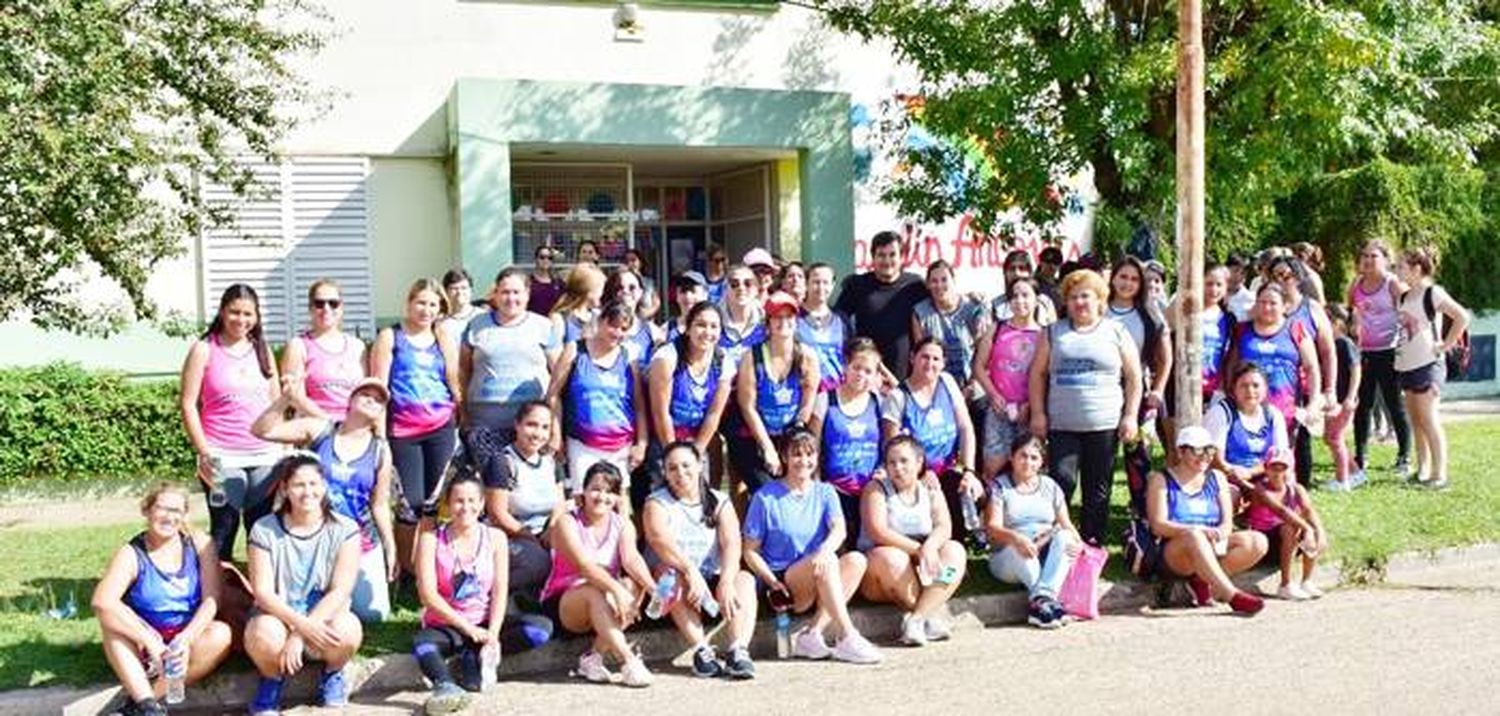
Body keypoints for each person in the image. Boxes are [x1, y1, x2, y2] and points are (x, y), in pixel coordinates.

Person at [251, 377, 399, 622]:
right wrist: (285, 400)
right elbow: (262, 430)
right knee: (318, 608)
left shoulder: (381, 450)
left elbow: (380, 504)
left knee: (374, 616)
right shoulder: (320, 430)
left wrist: (390, 547)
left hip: (358, 540)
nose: (372, 400)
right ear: (350, 401)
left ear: (382, 412)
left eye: (379, 400)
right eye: (365, 394)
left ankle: (334, 597)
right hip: (312, 535)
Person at [742, 428, 882, 664]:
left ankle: (812, 633)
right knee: (827, 561)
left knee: (856, 560)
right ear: (784, 457)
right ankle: (847, 635)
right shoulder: (765, 497)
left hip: (821, 566)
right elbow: (750, 551)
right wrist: (771, 581)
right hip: (784, 580)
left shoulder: (825, 492)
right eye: (796, 454)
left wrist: (827, 549)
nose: (804, 461)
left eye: (810, 454)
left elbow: (839, 529)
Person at [93, 484, 233, 716]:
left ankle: (142, 705)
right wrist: (151, 642)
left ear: (185, 515)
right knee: (111, 626)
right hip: (144, 637)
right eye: (162, 509)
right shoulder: (130, 553)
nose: (169, 517)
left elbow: (212, 599)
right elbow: (102, 602)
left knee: (220, 634)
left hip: (186, 633)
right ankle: (148, 706)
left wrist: (186, 639)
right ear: (147, 511)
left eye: (176, 511)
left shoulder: (199, 543)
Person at [244, 453, 365, 715]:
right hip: (278, 616)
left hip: (324, 617)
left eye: (314, 484)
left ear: (324, 487)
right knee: (262, 631)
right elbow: (262, 592)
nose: (307, 492)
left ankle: (332, 673)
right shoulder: (263, 529)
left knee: (349, 628)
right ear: (285, 489)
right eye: (299, 485)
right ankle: (272, 679)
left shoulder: (346, 529)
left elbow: (341, 589)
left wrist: (301, 633)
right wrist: (298, 626)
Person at [1029, 269, 1142, 545]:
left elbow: (1134, 377)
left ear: (1100, 300)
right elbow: (1037, 375)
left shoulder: (1116, 331)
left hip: (1103, 425)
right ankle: (1058, 543)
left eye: (1086, 296)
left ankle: (1092, 543)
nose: (1080, 302)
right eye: (1074, 297)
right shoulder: (1053, 332)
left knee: (1097, 490)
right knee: (1061, 483)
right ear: (1066, 302)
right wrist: (1038, 413)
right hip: (1062, 424)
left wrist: (1130, 416)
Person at [179, 283, 283, 561]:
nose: (241, 320)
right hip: (221, 456)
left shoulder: (262, 350)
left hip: (265, 455)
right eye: (235, 312)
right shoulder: (204, 349)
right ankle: (217, 593)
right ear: (223, 312)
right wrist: (205, 453)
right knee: (225, 525)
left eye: (248, 314)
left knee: (260, 525)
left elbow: (277, 402)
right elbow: (188, 404)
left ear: (257, 316)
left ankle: (257, 592)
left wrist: (284, 448)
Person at [641, 442, 758, 679]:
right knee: (669, 576)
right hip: (675, 587)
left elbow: (731, 544)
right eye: (672, 468)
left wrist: (726, 580)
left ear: (700, 465)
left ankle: (738, 651)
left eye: (686, 466)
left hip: (712, 583)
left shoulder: (719, 501)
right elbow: (659, 540)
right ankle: (701, 650)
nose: (680, 473)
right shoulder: (656, 503)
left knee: (744, 579)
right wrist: (689, 571)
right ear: (664, 472)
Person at [371, 279, 463, 568]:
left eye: (433, 304)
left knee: (435, 503)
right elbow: (379, 388)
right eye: (421, 303)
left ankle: (429, 567)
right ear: (409, 303)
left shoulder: (442, 336)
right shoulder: (391, 336)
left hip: (440, 428)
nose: (426, 310)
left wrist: (462, 417)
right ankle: (403, 568)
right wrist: (379, 434)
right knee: (410, 502)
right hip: (403, 431)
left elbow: (452, 382)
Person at [539, 462, 657, 687]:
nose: (602, 496)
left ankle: (593, 657)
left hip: (605, 598)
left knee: (634, 585)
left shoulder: (623, 525)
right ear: (583, 490)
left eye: (610, 491)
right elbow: (585, 566)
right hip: (566, 600)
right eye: (596, 489)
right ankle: (628, 660)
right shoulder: (567, 522)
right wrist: (615, 589)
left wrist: (652, 588)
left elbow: (631, 559)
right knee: (597, 591)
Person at [1145, 427, 1268, 616]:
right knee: (1194, 536)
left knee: (1257, 541)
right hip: (1176, 549)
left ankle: (1204, 583)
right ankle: (1231, 596)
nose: (1204, 457)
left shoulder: (1217, 478)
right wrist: (1196, 530)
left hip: (1212, 543)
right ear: (1180, 451)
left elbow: (1227, 523)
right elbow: (1158, 525)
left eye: (1209, 451)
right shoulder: (1161, 480)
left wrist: (1219, 533)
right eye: (1197, 451)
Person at [413, 474, 509, 714]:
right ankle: (446, 686)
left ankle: (472, 655)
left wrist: (493, 635)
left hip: (484, 622)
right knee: (422, 644)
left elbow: (500, 589)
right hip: (447, 624)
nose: (465, 507)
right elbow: (428, 596)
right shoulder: (430, 539)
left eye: (472, 500)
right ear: (448, 504)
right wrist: (469, 630)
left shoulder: (496, 538)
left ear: (482, 503)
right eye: (458, 501)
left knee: (538, 630)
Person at [857, 436, 966, 645]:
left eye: (904, 461)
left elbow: (944, 526)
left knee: (955, 551)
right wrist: (920, 550)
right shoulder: (876, 489)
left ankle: (917, 619)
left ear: (919, 462)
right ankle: (928, 615)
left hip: (921, 569)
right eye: (891, 462)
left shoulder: (931, 490)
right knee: (892, 558)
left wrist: (931, 547)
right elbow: (878, 531)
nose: (898, 468)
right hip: (881, 571)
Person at [546, 299, 649, 499]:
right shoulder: (575, 350)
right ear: (600, 321)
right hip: (582, 442)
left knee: (618, 502)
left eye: (624, 328)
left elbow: (639, 405)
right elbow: (553, 394)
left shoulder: (629, 357)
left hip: (620, 444)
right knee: (583, 500)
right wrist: (556, 435)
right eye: (613, 325)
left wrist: (642, 443)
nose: (617, 333)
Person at [1223, 284, 1322, 489]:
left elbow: (1312, 367)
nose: (1267, 307)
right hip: (1248, 409)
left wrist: (1313, 402)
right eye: (1262, 302)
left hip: (1285, 409)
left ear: (1284, 306)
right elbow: (1231, 365)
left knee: (1282, 462)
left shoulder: (1295, 328)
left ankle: (1285, 506)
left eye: (1273, 303)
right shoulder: (1243, 330)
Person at [881, 338, 979, 539]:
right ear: (912, 358)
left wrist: (969, 470)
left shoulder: (947, 382)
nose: (930, 363)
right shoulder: (898, 397)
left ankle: (960, 548)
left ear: (943, 363)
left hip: (949, 467)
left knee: (973, 488)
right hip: (914, 474)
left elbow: (965, 427)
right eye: (924, 357)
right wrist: (921, 472)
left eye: (936, 359)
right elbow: (892, 447)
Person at [982, 435, 1080, 629]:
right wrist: (1016, 538)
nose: (1028, 462)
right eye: (1023, 456)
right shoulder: (1000, 487)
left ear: (1042, 461)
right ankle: (1047, 600)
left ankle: (1041, 603)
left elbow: (1066, 524)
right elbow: (992, 528)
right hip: (1008, 556)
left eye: (1034, 458)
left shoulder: (1051, 487)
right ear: (1012, 457)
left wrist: (1077, 543)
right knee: (1021, 549)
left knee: (1065, 537)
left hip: (1043, 552)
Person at [1394, 246, 1470, 489]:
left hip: (1429, 364)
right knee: (1415, 419)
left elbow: (1461, 316)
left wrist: (1445, 345)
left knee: (1428, 418)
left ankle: (1439, 475)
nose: (1397, 270)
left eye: (1402, 266)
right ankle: (1422, 470)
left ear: (1417, 269)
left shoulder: (1433, 292)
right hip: (1407, 363)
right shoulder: (1404, 296)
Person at [732, 292, 820, 498]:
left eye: (789, 317)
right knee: (766, 491)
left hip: (791, 433)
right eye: (777, 317)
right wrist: (768, 448)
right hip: (756, 435)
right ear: (768, 322)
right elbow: (747, 406)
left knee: (795, 487)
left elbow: (808, 400)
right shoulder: (751, 357)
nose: (784, 322)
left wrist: (795, 435)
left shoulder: (807, 356)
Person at [459, 267, 562, 438]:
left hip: (532, 426)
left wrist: (556, 425)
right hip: (485, 423)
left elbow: (558, 377)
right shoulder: (476, 325)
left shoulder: (543, 326)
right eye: (505, 292)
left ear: (527, 294)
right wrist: (463, 412)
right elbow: (463, 371)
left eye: (516, 292)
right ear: (496, 294)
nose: (511, 298)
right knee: (495, 466)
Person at [479, 400, 564, 603]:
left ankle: (546, 601)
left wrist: (550, 531)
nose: (538, 433)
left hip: (544, 534)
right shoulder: (502, 462)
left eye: (545, 427)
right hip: (511, 536)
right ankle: (487, 597)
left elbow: (559, 505)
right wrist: (533, 539)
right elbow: (497, 514)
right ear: (517, 424)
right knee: (540, 563)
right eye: (531, 424)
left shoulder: (552, 463)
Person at [809, 338, 886, 548]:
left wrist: (883, 470)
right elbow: (812, 445)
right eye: (856, 368)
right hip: (834, 488)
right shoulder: (825, 400)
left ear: (876, 375)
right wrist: (815, 483)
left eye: (868, 371)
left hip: (870, 489)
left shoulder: (879, 403)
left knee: (868, 549)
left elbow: (888, 443)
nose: (861, 374)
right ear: (846, 367)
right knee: (837, 547)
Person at [1269, 256, 1338, 487]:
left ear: (1297, 278)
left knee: (1302, 439)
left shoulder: (1311, 309)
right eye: (1275, 276)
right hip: (1275, 386)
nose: (1280, 281)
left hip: (1307, 386)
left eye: (1285, 275)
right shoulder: (1266, 307)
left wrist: (1329, 390)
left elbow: (1328, 352)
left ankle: (1301, 489)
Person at [1107, 256, 1172, 495]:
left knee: (1138, 457)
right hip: (1103, 389)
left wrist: (1158, 390)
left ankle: (1141, 519)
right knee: (1104, 456)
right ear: (1113, 278)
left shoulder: (1150, 315)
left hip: (1138, 390)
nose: (1127, 283)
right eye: (1123, 276)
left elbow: (1165, 358)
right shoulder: (1098, 310)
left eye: (1134, 279)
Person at [1348, 239, 1413, 478]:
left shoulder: (1393, 284)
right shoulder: (1356, 284)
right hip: (1364, 353)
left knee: (1394, 404)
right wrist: (1354, 328)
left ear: (1386, 259)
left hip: (1390, 351)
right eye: (1364, 256)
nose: (1368, 260)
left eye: (1374, 256)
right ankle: (1361, 455)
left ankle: (1404, 456)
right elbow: (1351, 312)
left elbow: (1411, 312)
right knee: (1362, 405)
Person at [834, 230, 929, 382]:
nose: (887, 261)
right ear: (873, 258)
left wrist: (971, 299)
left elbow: (940, 302)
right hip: (867, 377)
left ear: (902, 257)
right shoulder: (857, 285)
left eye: (892, 255)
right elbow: (836, 320)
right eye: (881, 255)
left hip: (906, 378)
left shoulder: (915, 285)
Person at [974, 278, 1043, 478]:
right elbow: (978, 366)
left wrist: (1030, 405)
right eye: (1014, 296)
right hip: (998, 409)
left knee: (1025, 469)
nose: (1019, 300)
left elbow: (1044, 376)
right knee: (992, 469)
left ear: (1036, 300)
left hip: (1027, 412)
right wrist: (993, 395)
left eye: (1025, 295)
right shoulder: (997, 329)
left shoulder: (1044, 335)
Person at [911, 260, 990, 433]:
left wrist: (971, 386)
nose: (939, 285)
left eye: (944, 279)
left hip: (973, 388)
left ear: (953, 280)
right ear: (928, 284)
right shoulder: (921, 312)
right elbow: (921, 355)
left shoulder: (973, 308)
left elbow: (984, 352)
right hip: (938, 391)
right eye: (934, 281)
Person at [648, 301, 736, 454]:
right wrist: (673, 454)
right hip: (662, 435)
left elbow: (714, 414)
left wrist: (696, 452)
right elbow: (661, 413)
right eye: (701, 325)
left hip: (699, 436)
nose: (708, 332)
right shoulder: (667, 358)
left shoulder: (724, 361)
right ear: (688, 329)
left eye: (714, 326)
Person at [1243, 448, 1327, 601]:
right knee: (1291, 527)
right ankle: (1285, 584)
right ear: (1266, 469)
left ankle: (1306, 581)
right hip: (1266, 545)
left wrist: (1318, 532)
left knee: (1306, 526)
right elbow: (1281, 511)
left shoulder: (1297, 489)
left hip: (1290, 542)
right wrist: (1306, 528)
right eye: (1273, 467)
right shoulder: (1261, 490)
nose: (1278, 473)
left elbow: (1309, 511)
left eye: (1283, 468)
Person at [280, 279, 367, 422]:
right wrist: (329, 423)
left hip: (354, 430)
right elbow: (294, 397)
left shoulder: (357, 346)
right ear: (310, 308)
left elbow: (365, 393)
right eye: (319, 304)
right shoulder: (298, 345)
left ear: (341, 307)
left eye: (333, 303)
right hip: (316, 430)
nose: (326, 309)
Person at [1204, 364, 1290, 485]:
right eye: (1244, 386)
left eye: (1256, 386)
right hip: (1228, 477)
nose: (1250, 391)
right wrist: (1236, 474)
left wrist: (1251, 473)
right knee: (1233, 495)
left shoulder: (1273, 415)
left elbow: (1281, 456)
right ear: (1234, 389)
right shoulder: (1221, 412)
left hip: (1263, 474)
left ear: (1265, 389)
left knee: (1292, 492)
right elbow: (1215, 459)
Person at [1324, 304, 1365, 490]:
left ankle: (1342, 480)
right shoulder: (1330, 345)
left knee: (1335, 438)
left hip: (1344, 400)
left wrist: (1350, 396)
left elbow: (1356, 370)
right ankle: (1355, 472)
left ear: (1336, 322)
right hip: (1334, 400)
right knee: (1330, 437)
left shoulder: (1344, 344)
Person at [798, 263, 852, 393]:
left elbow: (849, 355)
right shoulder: (793, 317)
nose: (821, 287)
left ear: (832, 286)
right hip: (803, 391)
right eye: (816, 282)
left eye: (825, 282)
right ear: (806, 284)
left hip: (837, 391)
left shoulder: (841, 319)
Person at [603, 267, 664, 373]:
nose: (625, 291)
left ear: (641, 292)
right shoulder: (600, 327)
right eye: (619, 287)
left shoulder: (653, 332)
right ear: (612, 293)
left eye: (632, 288)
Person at [991, 250, 1057, 325]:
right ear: (1005, 273)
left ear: (1029, 273)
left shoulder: (1044, 302)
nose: (1017, 273)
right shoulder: (997, 304)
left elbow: (1053, 331)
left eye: (1022, 268)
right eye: (1012, 269)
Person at [719, 264, 767, 367]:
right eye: (734, 284)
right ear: (725, 289)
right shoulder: (713, 321)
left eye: (748, 283)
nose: (741, 288)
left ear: (756, 289)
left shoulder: (766, 322)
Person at [550, 262, 606, 344]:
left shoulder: (597, 316)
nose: (603, 293)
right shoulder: (560, 319)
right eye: (601, 289)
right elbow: (552, 355)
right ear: (588, 292)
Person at [664, 271, 709, 343]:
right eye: (683, 291)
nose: (688, 296)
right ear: (677, 296)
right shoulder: (666, 330)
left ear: (705, 294)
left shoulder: (714, 328)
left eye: (693, 291)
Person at [440, 269, 483, 341]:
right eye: (454, 288)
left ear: (471, 290)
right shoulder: (440, 322)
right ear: (446, 291)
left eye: (464, 288)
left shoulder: (482, 316)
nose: (459, 292)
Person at [527, 245, 564, 316]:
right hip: (534, 323)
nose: (546, 260)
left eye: (549, 258)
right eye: (542, 257)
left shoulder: (558, 283)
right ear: (536, 259)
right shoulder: (528, 282)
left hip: (553, 323)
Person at [1225, 252, 1256, 323]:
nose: (1239, 276)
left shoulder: (1251, 299)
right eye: (1235, 271)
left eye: (1243, 273)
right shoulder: (1215, 294)